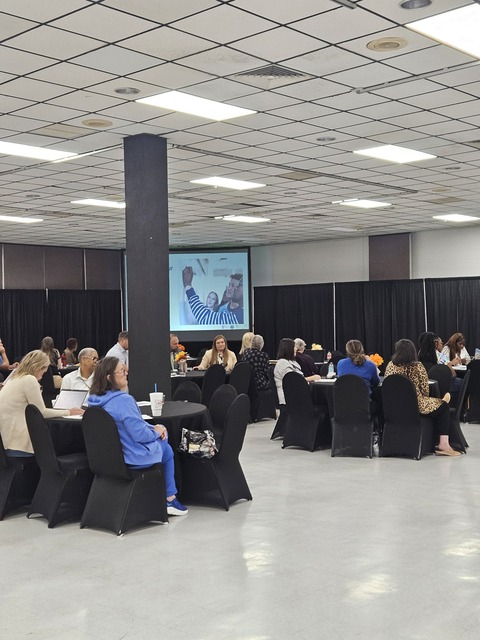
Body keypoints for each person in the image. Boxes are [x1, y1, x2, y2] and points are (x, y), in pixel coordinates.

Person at [87, 357, 187, 516]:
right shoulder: (123, 401)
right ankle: (170, 498)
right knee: (167, 449)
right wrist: (157, 431)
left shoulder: (94, 401)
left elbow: (126, 426)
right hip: (131, 457)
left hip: (106, 460)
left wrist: (153, 428)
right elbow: (140, 434)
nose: (126, 373)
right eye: (121, 371)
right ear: (109, 377)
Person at [384, 339, 460, 456]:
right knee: (444, 407)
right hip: (415, 406)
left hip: (394, 407)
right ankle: (443, 444)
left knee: (438, 404)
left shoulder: (390, 365)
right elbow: (425, 390)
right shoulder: (417, 366)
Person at [0, 350, 83, 456]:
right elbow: (41, 412)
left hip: (7, 441)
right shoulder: (29, 380)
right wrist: (69, 412)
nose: (44, 374)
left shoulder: (13, 380)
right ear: (38, 367)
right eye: (44, 370)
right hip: (21, 444)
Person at [274, 338, 320, 405]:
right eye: (294, 347)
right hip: (289, 399)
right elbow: (293, 380)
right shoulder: (283, 363)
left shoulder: (291, 362)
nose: (296, 349)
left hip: (296, 395)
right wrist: (312, 378)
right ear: (288, 349)